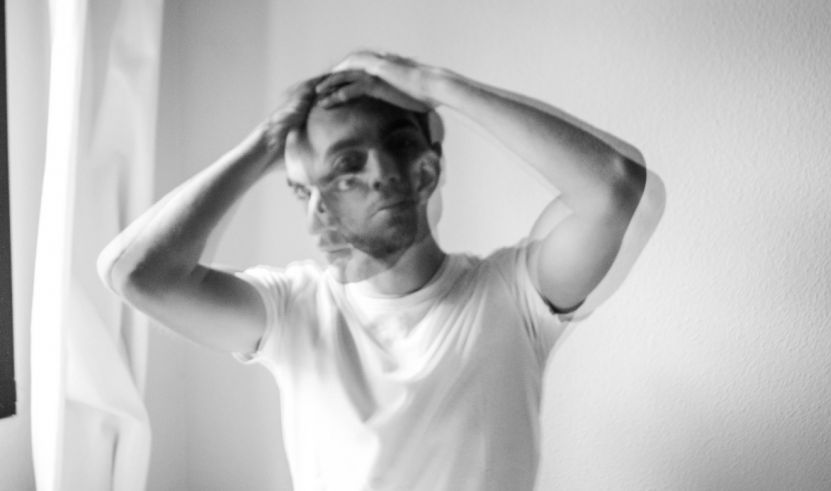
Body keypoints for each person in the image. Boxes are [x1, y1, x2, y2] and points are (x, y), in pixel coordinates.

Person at [98, 51, 661, 491]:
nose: (318, 206)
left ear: (423, 173)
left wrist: (437, 86)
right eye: (303, 187)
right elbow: (135, 274)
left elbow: (616, 189)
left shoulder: (512, 297)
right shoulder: (292, 311)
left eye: (343, 170)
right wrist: (267, 141)